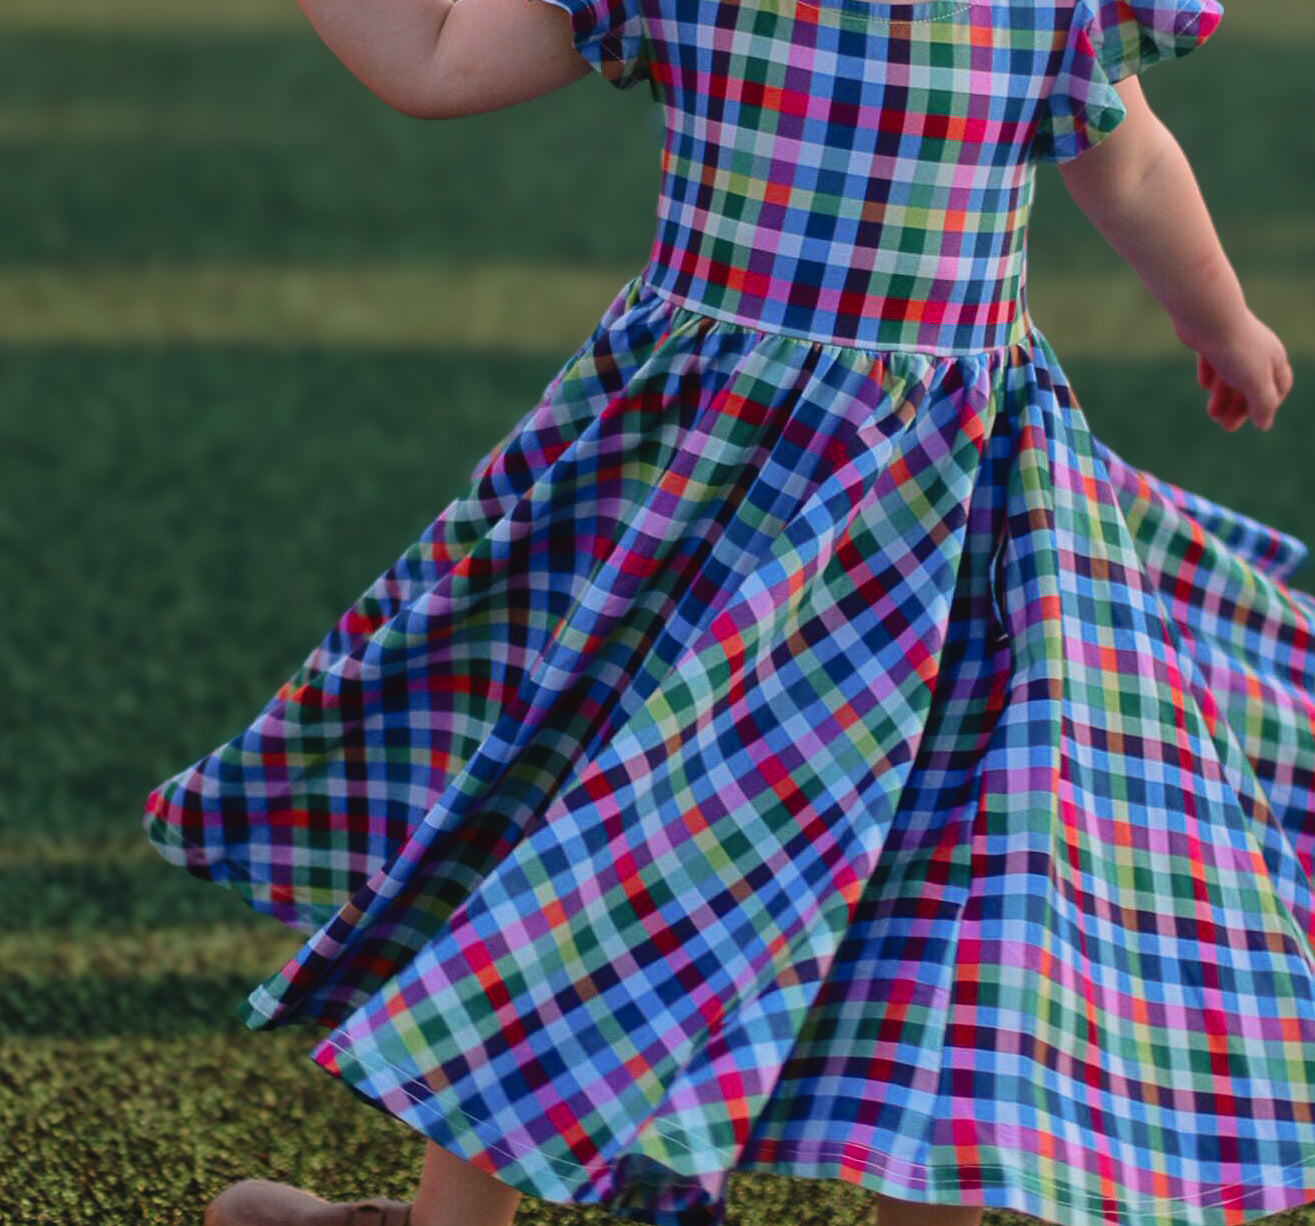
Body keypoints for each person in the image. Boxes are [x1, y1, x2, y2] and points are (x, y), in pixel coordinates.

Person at [144, 1, 1315, 1225]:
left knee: (940, 855)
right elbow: (435, 60)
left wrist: (1218, 316)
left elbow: (1127, 159)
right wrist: (1218, 320)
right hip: (726, 486)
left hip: (914, 502)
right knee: (598, 821)